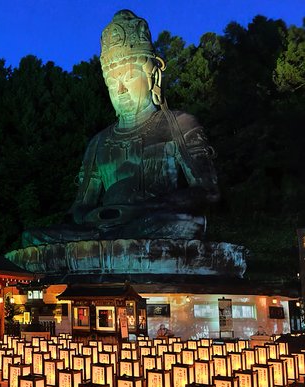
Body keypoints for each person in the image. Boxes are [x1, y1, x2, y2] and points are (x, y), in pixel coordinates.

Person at [23, 9, 219, 246]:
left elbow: (207, 191)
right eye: (112, 82)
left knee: (183, 224)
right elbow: (80, 205)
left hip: (155, 220)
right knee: (32, 237)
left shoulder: (180, 124)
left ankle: (111, 242)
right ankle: (110, 241)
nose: (121, 90)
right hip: (104, 226)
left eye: (128, 77)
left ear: (153, 77)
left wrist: (141, 208)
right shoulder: (98, 143)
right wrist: (93, 215)